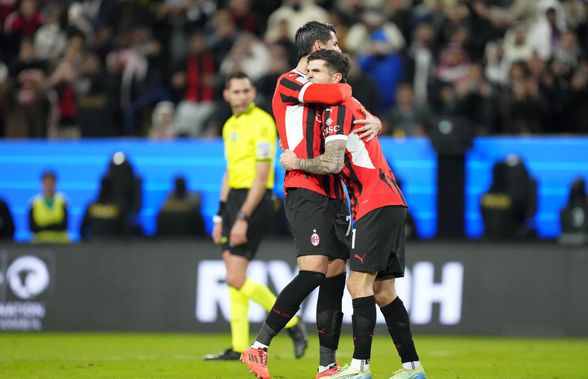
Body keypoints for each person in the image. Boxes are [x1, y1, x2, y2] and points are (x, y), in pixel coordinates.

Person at [241, 21, 382, 379]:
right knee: (315, 268)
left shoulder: (325, 82)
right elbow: (336, 95)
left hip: (334, 190)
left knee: (335, 274)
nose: (339, 47)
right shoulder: (290, 81)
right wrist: (347, 89)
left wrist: (373, 119)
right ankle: (259, 346)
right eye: (334, 43)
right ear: (318, 47)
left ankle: (326, 365)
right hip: (305, 185)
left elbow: (350, 108)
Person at [280, 49, 426, 379]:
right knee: (384, 292)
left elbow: (331, 163)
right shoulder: (352, 106)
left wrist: (296, 163)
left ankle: (360, 367)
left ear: (335, 79)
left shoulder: (337, 108)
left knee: (358, 284)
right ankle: (412, 368)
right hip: (391, 200)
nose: (309, 76)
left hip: (373, 202)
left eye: (315, 71)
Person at [204, 71, 307, 361]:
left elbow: (262, 177)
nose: (241, 96)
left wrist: (242, 217)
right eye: (235, 92)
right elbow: (229, 171)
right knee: (234, 277)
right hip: (234, 199)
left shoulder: (262, 123)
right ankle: (238, 345)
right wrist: (220, 215)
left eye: (246, 90)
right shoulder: (228, 126)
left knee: (236, 277)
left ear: (252, 92)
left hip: (256, 200)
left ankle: (293, 323)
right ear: (226, 95)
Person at [79, 176, 128, 240]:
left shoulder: (92, 206)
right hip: (115, 246)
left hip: (94, 246)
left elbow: (82, 230)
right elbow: (126, 231)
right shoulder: (120, 206)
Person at [28, 170, 70, 244]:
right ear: (42, 183)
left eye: (52, 182)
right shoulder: (34, 202)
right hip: (39, 244)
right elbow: (33, 228)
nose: (49, 185)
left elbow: (64, 225)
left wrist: (44, 226)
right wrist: (54, 224)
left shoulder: (63, 200)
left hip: (61, 244)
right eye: (47, 182)